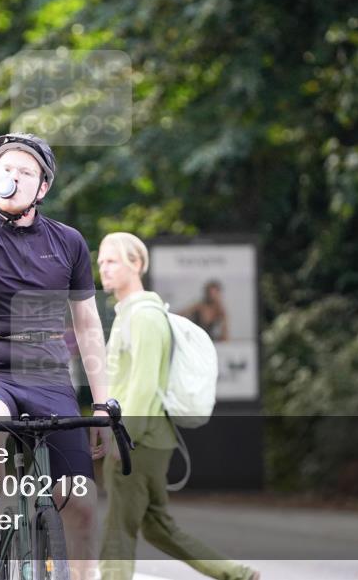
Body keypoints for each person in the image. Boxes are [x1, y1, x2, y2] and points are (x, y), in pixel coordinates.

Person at [0, 133, 111, 580]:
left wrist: (104, 403)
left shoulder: (67, 241)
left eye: (25, 172)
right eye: (5, 169)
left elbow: (88, 325)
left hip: (47, 373)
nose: (12, 177)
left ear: (43, 187)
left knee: (83, 504)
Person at [97, 232, 258, 580]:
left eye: (111, 261)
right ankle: (237, 574)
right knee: (158, 528)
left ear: (136, 264)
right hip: (148, 438)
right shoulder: (131, 314)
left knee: (118, 530)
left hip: (139, 440)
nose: (103, 269)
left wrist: (124, 438)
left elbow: (144, 383)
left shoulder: (144, 317)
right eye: (100, 262)